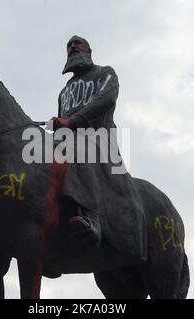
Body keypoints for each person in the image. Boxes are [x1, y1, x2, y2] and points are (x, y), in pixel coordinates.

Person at [51, 35, 126, 249]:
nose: (73, 47)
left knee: (78, 148)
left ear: (88, 51)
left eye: (78, 44)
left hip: (99, 141)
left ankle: (92, 218)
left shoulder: (105, 73)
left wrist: (72, 121)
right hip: (67, 144)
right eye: (69, 46)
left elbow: (106, 100)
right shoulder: (64, 92)